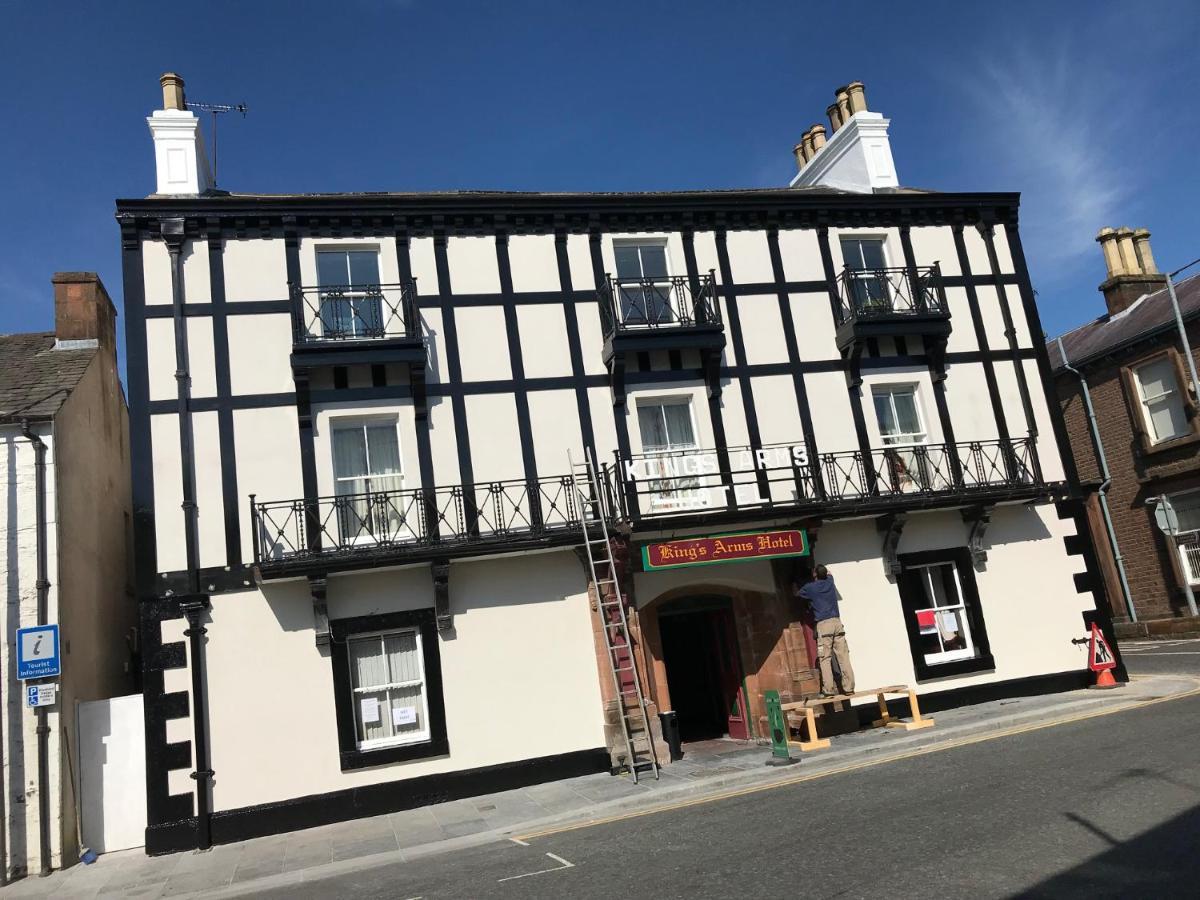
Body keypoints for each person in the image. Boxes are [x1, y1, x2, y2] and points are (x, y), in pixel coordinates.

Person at [798, 564, 855, 697]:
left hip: (824, 625)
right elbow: (829, 573)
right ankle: (849, 688)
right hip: (837, 623)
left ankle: (828, 690)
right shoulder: (830, 582)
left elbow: (797, 593)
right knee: (844, 657)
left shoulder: (810, 588)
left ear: (814, 575)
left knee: (824, 658)